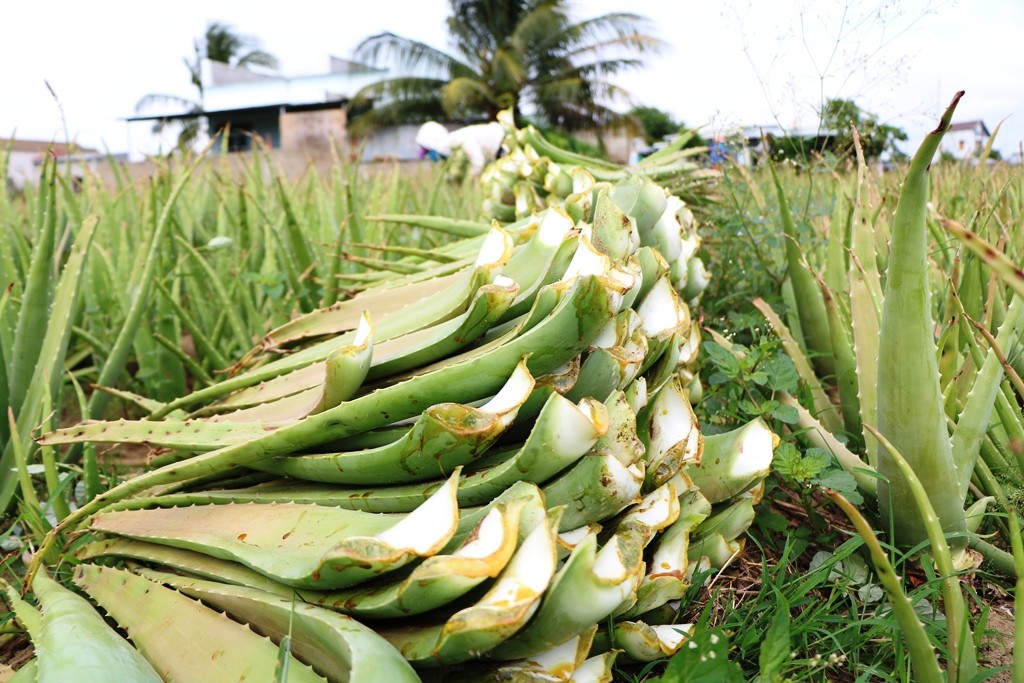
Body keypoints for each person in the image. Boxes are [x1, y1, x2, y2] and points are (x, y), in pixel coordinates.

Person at [416, 120, 504, 175]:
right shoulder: (453, 152)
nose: (431, 157)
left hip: (503, 144)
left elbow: (478, 162)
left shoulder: (459, 140)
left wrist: (468, 181)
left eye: (429, 152)